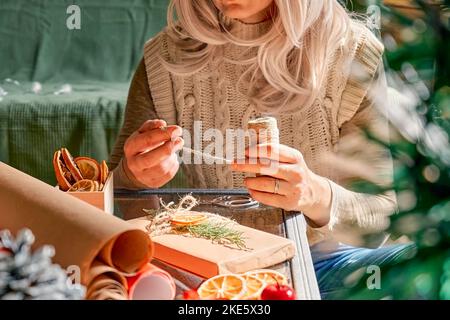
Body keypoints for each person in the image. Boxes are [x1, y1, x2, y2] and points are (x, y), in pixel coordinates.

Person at [110, 0, 413, 299]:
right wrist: (134, 176)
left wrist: (313, 194)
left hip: (318, 263)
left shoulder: (352, 53)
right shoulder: (164, 57)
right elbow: (113, 199)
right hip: (203, 270)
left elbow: (379, 218)